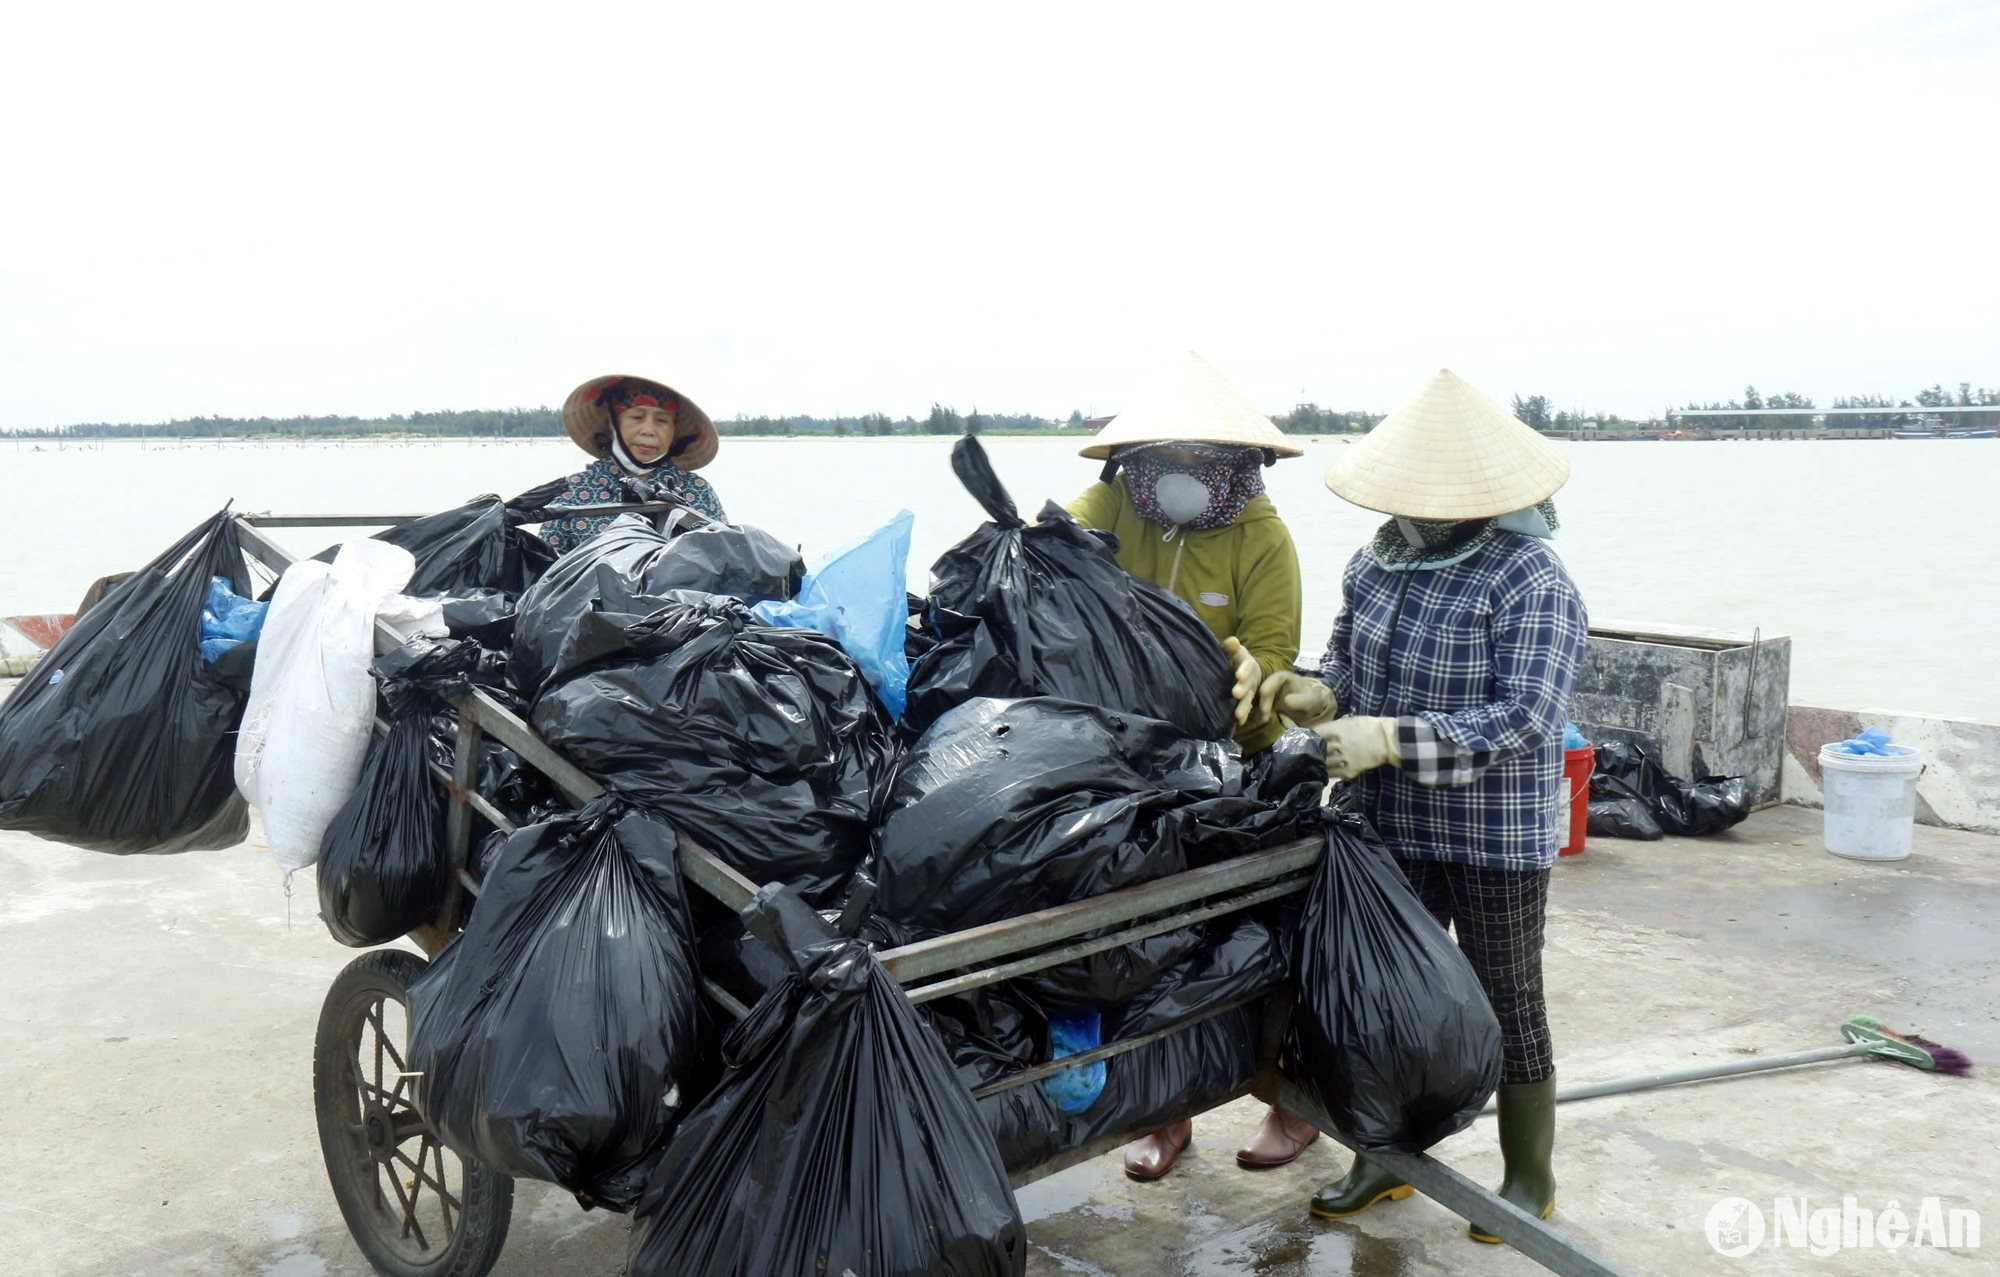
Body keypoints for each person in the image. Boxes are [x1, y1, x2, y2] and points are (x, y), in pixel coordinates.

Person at [1254, 368, 1587, 1245]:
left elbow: (1526, 716)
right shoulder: (1376, 563)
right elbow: (1351, 675)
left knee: (1507, 995)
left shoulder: (1530, 579)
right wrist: (1313, 696)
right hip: (1388, 825)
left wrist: (1391, 738)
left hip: (1494, 831)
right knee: (1385, 995)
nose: (1417, 510)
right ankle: (1383, 1153)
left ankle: (1528, 1174)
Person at [1063, 351, 1322, 1180]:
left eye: (1201, 463)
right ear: (1137, 461)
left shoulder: (1263, 538)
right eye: (1164, 461)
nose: (1179, 477)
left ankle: (1291, 1099)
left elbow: (1278, 656)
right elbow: (1057, 543)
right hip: (1128, 757)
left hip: (1226, 772)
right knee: (1147, 944)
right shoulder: (1116, 499)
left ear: (1237, 467)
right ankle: (1165, 1113)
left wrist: (1256, 679)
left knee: (1250, 939)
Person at [539, 373, 725, 555]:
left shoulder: (697, 491)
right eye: (637, 417)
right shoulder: (574, 491)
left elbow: (728, 559)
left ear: (674, 433)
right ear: (613, 423)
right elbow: (544, 571)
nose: (648, 430)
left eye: (661, 421)